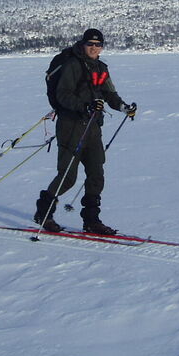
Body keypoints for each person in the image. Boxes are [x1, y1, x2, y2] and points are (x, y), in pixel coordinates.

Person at [35, 28, 137, 235]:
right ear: (83, 44)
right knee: (68, 177)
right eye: (90, 44)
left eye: (98, 44)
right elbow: (63, 95)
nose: (93, 48)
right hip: (71, 125)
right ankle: (43, 213)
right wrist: (85, 106)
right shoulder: (73, 65)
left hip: (93, 127)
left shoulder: (101, 67)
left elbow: (109, 93)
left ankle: (91, 220)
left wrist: (123, 107)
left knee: (96, 175)